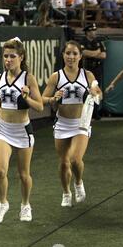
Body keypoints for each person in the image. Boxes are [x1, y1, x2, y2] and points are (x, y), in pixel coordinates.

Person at [0, 37, 43, 224]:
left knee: (23, 174)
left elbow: (40, 106)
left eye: (12, 56)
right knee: (0, 172)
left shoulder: (29, 79)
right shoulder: (0, 78)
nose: (8, 60)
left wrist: (27, 97)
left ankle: (25, 204)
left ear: (21, 57)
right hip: (3, 129)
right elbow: (1, 98)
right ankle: (2, 203)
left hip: (22, 131)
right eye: (5, 56)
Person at [42, 40, 102, 208]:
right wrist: (53, 98)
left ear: (80, 56)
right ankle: (66, 192)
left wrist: (94, 93)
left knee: (75, 159)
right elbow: (42, 99)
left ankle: (78, 182)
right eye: (68, 53)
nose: (71, 56)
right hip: (62, 123)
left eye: (75, 53)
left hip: (81, 123)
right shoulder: (56, 76)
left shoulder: (87, 75)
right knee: (63, 163)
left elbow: (99, 94)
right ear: (63, 55)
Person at [80, 23, 106, 119]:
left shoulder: (98, 42)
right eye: (92, 30)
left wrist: (92, 54)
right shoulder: (82, 41)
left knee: (96, 89)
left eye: (94, 30)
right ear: (87, 32)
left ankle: (95, 112)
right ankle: (85, 113)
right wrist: (96, 52)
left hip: (97, 68)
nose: (94, 32)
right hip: (87, 68)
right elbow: (84, 53)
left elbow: (103, 55)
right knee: (85, 90)